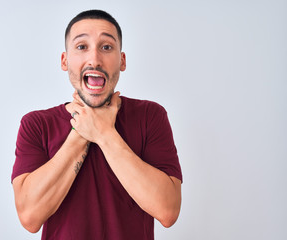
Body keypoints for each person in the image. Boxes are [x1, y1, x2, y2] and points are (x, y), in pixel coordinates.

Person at [11, 9, 182, 240]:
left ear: (122, 60)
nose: (94, 59)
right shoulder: (36, 124)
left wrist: (104, 134)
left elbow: (167, 211)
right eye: (82, 47)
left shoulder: (151, 116)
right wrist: (82, 130)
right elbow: (30, 217)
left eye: (106, 47)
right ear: (65, 60)